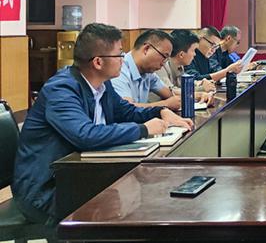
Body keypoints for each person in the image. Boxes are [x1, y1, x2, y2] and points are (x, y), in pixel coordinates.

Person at [12, 23, 193, 226]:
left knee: (146, 199)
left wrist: (160, 112)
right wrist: (143, 129)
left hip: (80, 177)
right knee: (131, 211)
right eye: (119, 55)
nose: (123, 60)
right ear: (98, 62)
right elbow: (85, 135)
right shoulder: (62, 89)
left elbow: (126, 111)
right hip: (47, 190)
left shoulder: (102, 84)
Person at [111, 29, 180, 110]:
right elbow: (127, 109)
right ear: (146, 49)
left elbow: (169, 93)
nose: (163, 63)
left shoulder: (148, 72)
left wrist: (190, 95)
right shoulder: (118, 70)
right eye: (164, 56)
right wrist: (165, 104)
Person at [155, 29, 216, 105]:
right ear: (181, 54)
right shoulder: (161, 66)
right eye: (193, 50)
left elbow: (184, 86)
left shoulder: (180, 66)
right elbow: (171, 91)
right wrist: (201, 89)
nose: (195, 54)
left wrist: (200, 83)